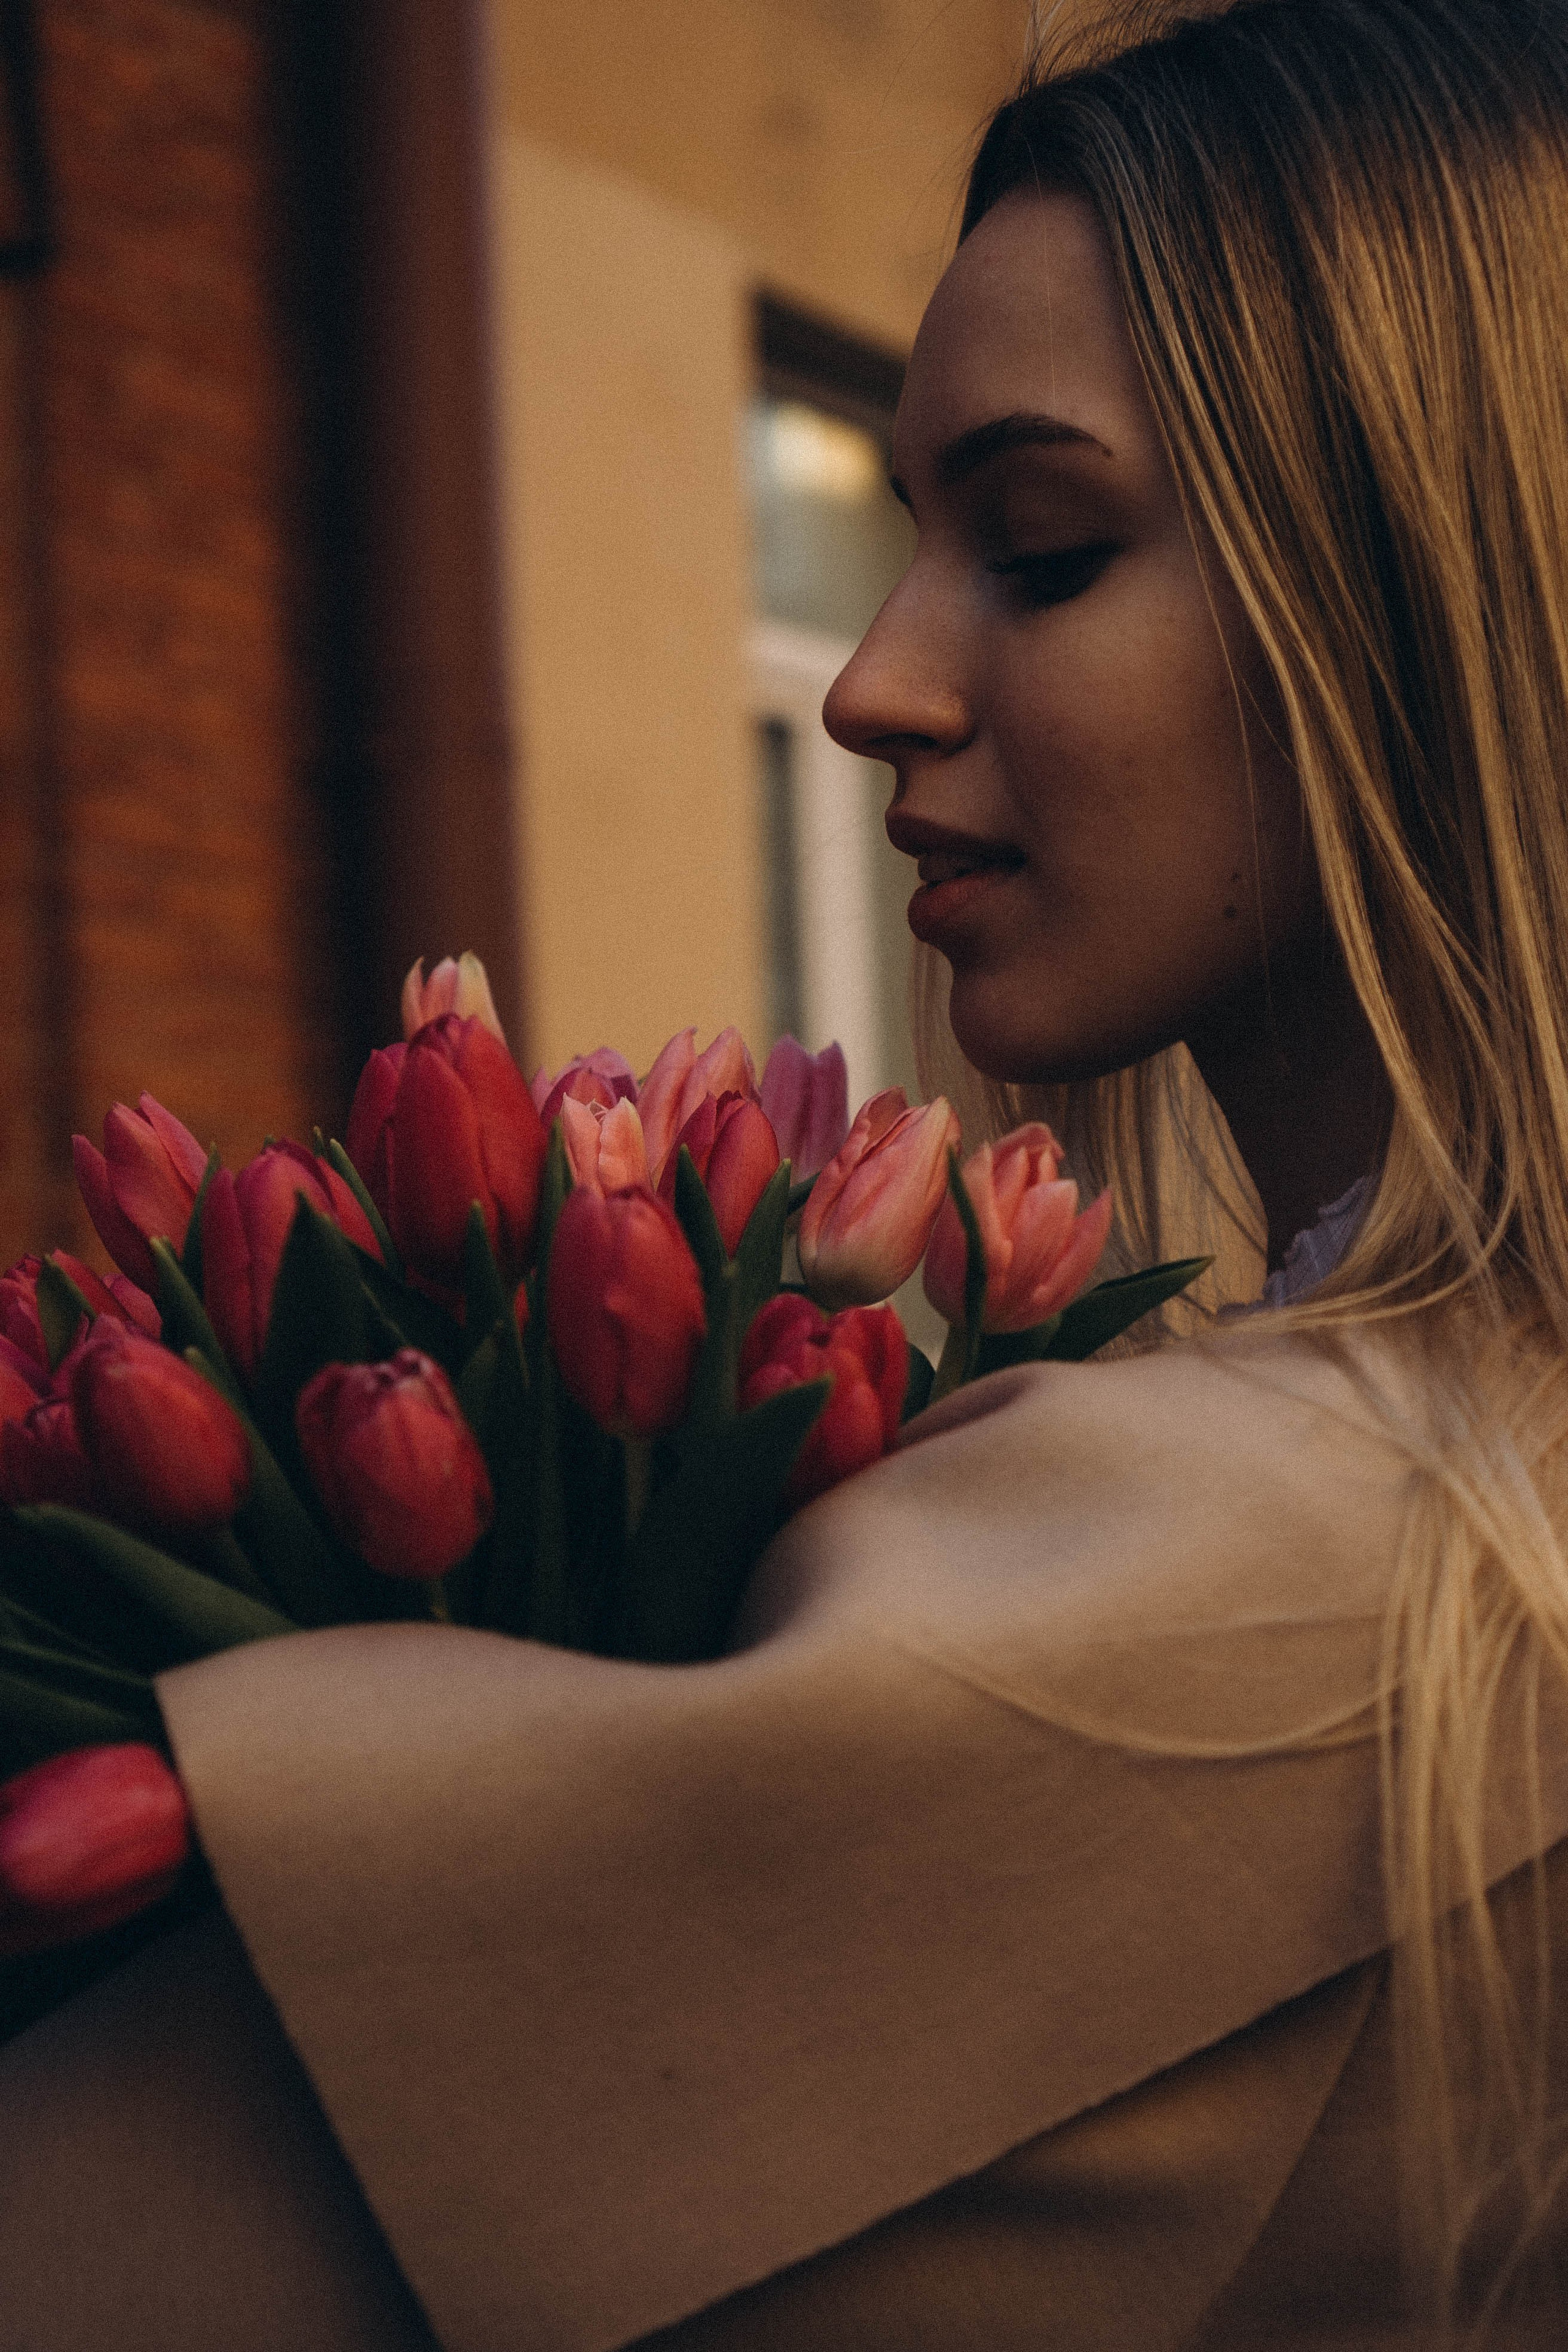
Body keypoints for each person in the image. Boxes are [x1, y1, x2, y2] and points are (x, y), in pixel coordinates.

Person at [6, 0, 1568, 2342]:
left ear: (1434, 600)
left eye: (1040, 549)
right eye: (903, 523)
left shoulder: (1293, 1560)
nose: (867, 683)